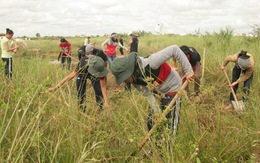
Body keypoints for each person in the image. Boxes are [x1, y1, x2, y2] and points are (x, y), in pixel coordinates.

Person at [110, 45, 194, 134]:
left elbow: (174, 49)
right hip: (157, 91)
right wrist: (157, 111)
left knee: (171, 122)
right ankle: (156, 145)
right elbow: (148, 94)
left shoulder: (151, 62)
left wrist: (188, 71)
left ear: (130, 71)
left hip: (172, 87)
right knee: (152, 122)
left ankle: (169, 146)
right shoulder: (134, 80)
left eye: (124, 78)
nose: (125, 81)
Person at [47, 45, 110, 112]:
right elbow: (68, 77)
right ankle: (82, 110)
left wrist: (106, 101)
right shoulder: (82, 66)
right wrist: (54, 88)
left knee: (98, 91)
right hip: (83, 74)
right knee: (81, 93)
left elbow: (103, 86)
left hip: (94, 74)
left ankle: (100, 109)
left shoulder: (99, 66)